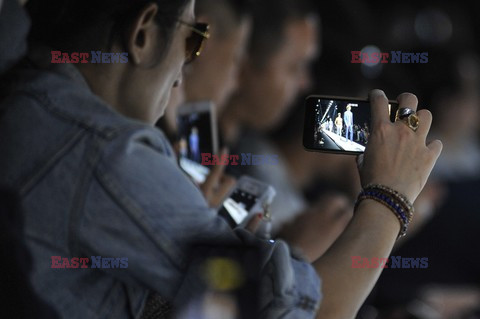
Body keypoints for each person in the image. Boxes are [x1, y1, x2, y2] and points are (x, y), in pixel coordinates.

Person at [0, 1, 442, 319]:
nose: (187, 68)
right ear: (142, 32)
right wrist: (391, 198)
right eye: (194, 39)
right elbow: (302, 313)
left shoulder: (29, 103)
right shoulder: (109, 151)